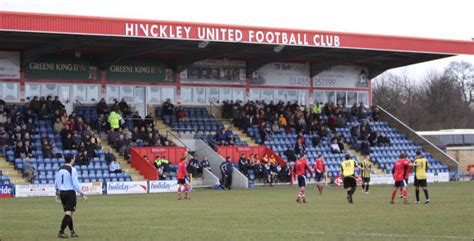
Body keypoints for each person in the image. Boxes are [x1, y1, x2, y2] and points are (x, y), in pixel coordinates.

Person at [55, 154, 87, 238]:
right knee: (69, 213)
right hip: (69, 193)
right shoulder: (72, 169)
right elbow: (75, 183)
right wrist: (82, 193)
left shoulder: (60, 169)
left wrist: (57, 193)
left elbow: (56, 182)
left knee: (69, 213)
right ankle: (61, 231)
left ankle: (72, 232)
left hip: (62, 193)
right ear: (72, 159)